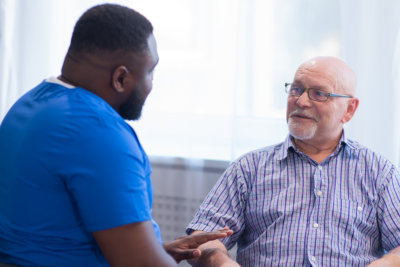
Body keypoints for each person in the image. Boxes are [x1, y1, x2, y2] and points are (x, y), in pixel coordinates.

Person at [0, 4, 232, 267]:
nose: (151, 85)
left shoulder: (29, 105)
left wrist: (155, 248)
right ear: (120, 77)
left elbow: (52, 234)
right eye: (150, 71)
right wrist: (150, 256)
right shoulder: (98, 131)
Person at [186, 56, 400, 267]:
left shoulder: (379, 173)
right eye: (296, 89)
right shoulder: (248, 169)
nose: (301, 101)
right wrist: (221, 263)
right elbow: (202, 238)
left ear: (349, 109)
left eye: (319, 94)